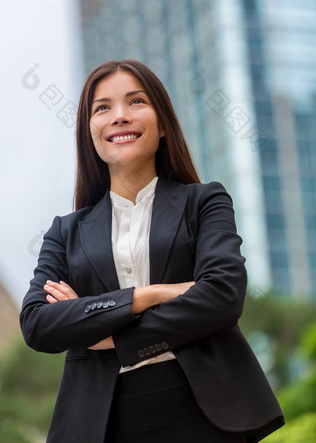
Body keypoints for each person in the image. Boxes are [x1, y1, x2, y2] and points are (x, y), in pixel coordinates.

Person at [20, 59, 285, 443]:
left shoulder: (204, 201)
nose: (120, 116)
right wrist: (150, 295)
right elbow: (39, 324)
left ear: (162, 125)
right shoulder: (66, 232)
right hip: (99, 423)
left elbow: (222, 297)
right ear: (89, 132)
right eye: (103, 108)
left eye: (136, 101)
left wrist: (111, 335)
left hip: (205, 413)